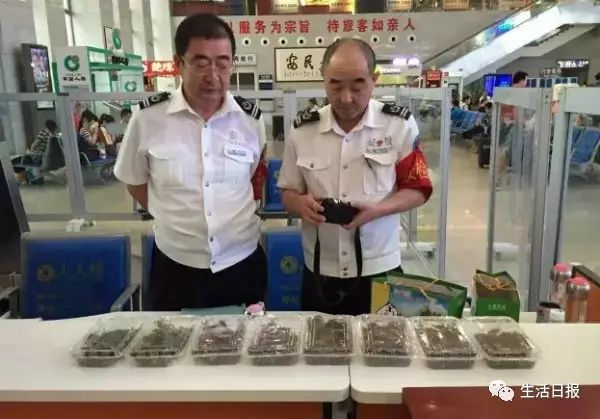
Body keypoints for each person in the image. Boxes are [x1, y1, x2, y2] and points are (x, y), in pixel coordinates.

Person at [114, 13, 268, 311]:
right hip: (175, 266)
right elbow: (135, 182)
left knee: (245, 339)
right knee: (171, 340)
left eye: (222, 63)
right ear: (178, 64)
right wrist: (175, 219)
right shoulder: (147, 119)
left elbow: (253, 183)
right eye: (201, 63)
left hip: (241, 264)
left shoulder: (251, 121)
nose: (213, 75)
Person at [277, 38, 432, 315]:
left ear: (374, 79)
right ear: (323, 79)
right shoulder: (303, 130)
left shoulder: (398, 125)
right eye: (335, 85)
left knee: (383, 342)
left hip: (380, 269)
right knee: (319, 341)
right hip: (320, 270)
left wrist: (378, 210)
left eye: (358, 85)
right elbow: (288, 191)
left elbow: (418, 188)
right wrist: (299, 204)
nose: (346, 97)